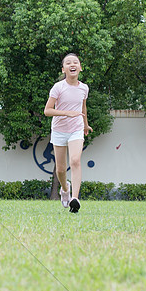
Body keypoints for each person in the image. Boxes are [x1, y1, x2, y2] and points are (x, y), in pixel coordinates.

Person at [44, 53, 92, 213]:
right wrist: (67, 113)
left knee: (76, 160)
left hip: (76, 129)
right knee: (60, 170)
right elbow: (47, 111)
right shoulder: (58, 87)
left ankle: (75, 199)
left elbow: (83, 107)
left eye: (76, 62)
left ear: (80, 67)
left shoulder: (84, 88)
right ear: (63, 69)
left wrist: (85, 124)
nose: (73, 64)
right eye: (68, 63)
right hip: (59, 131)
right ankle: (65, 189)